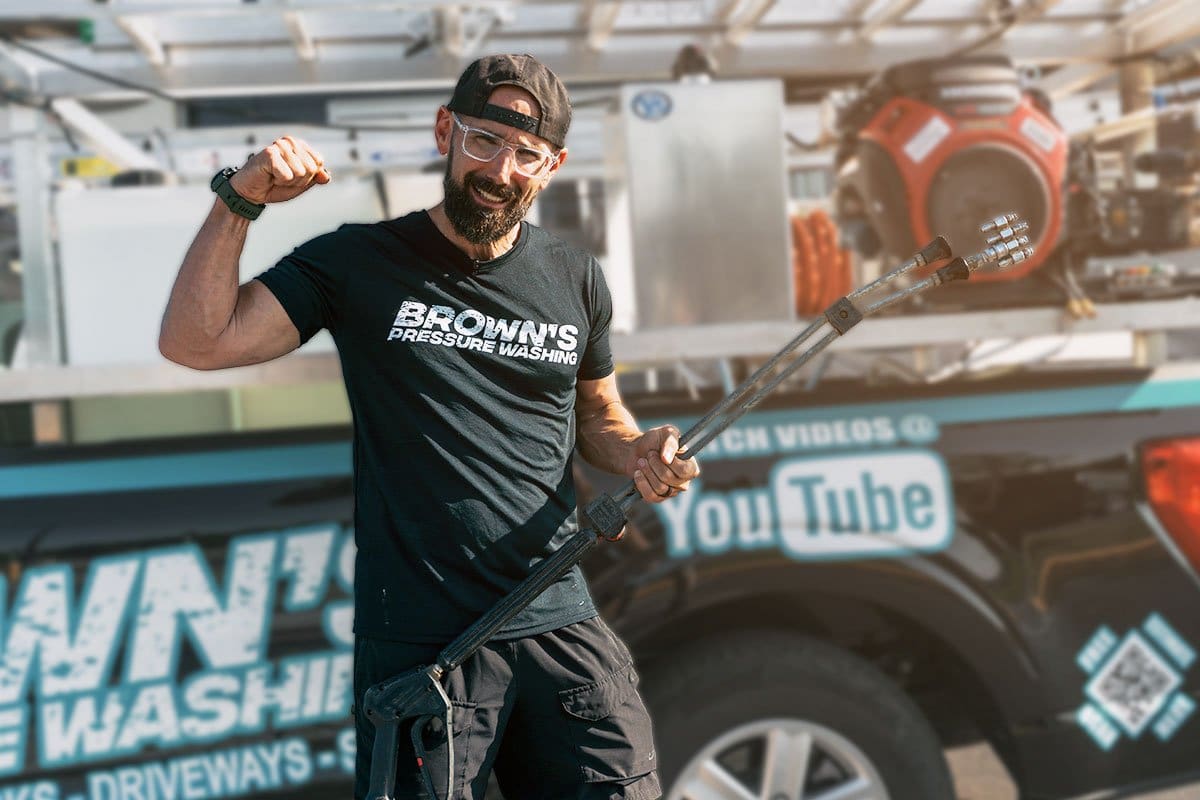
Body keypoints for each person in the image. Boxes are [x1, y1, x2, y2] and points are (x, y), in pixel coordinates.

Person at [158, 53, 699, 800]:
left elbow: (598, 415)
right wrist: (239, 201)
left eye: (525, 155)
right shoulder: (356, 262)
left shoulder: (576, 276)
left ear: (553, 165)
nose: (500, 171)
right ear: (445, 129)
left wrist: (638, 448)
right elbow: (195, 341)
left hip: (557, 620)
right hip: (424, 649)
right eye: (483, 141)